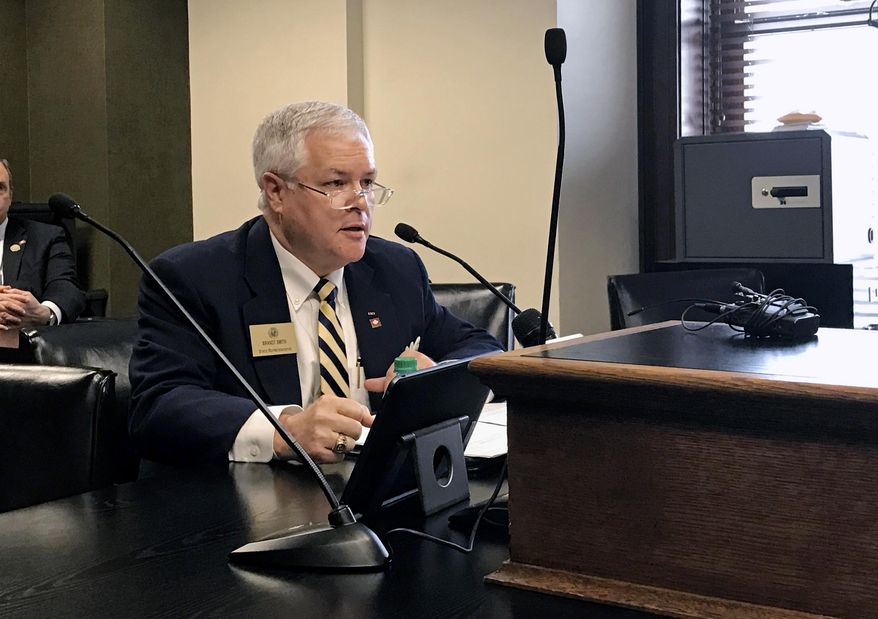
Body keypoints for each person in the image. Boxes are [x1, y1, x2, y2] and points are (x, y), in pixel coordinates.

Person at [129, 101, 502, 465]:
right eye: (337, 183)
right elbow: (159, 405)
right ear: (276, 191)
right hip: (253, 504)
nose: (362, 203)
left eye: (368, 183)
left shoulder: (394, 268)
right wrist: (283, 431)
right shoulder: (194, 278)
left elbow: (478, 346)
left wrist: (434, 378)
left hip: (378, 491)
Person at [0, 158, 85, 330]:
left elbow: (66, 288)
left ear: (10, 196)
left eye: (0, 188)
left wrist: (45, 313)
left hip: (20, 346)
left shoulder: (45, 237)